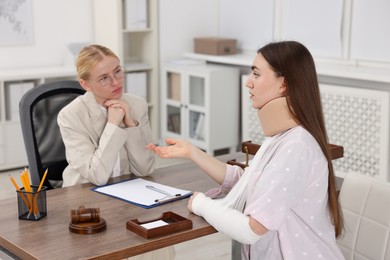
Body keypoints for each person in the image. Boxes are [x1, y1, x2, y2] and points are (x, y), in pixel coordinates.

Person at [147, 41, 345, 259]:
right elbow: (250, 182)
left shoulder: (296, 146)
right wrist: (192, 152)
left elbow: (252, 229)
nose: (248, 83)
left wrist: (202, 204)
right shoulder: (282, 137)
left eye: (256, 74)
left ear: (283, 85)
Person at [58, 44, 156, 187]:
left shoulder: (137, 105)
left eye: (117, 71)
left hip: (127, 189)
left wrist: (130, 124)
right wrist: (113, 125)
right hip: (84, 194)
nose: (116, 82)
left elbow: (145, 170)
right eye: (104, 78)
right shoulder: (70, 116)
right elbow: (97, 177)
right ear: (86, 85)